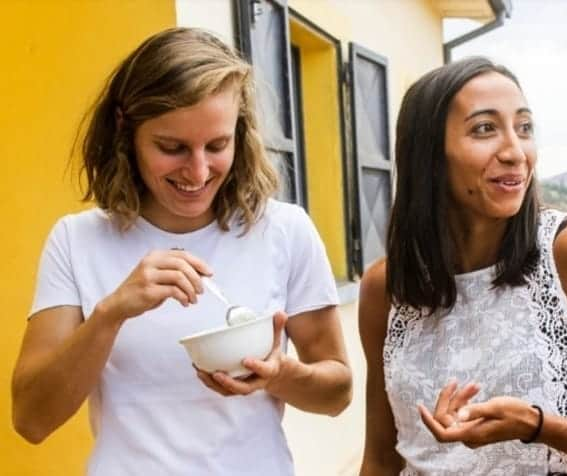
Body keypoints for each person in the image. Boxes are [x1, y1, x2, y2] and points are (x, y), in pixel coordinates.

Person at [11, 27, 352, 475]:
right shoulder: (77, 241)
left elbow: (338, 393)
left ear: (240, 130)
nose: (198, 171)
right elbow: (32, 420)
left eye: (217, 145)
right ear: (125, 129)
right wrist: (111, 313)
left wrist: (279, 374)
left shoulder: (285, 230)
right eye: (172, 148)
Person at [358, 57, 567, 475]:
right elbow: (382, 458)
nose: (515, 152)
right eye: (484, 129)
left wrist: (537, 426)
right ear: (429, 153)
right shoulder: (385, 288)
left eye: (524, 128)